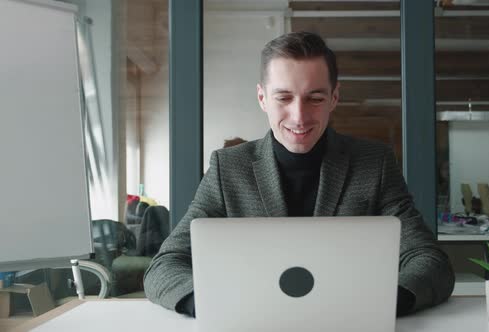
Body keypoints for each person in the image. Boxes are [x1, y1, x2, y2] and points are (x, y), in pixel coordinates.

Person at [144, 31, 454, 318]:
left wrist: (380, 304)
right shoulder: (228, 169)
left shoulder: (374, 164)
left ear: (334, 97)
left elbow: (430, 262)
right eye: (283, 97)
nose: (299, 116)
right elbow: (164, 267)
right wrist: (215, 305)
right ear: (262, 97)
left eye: (315, 98)